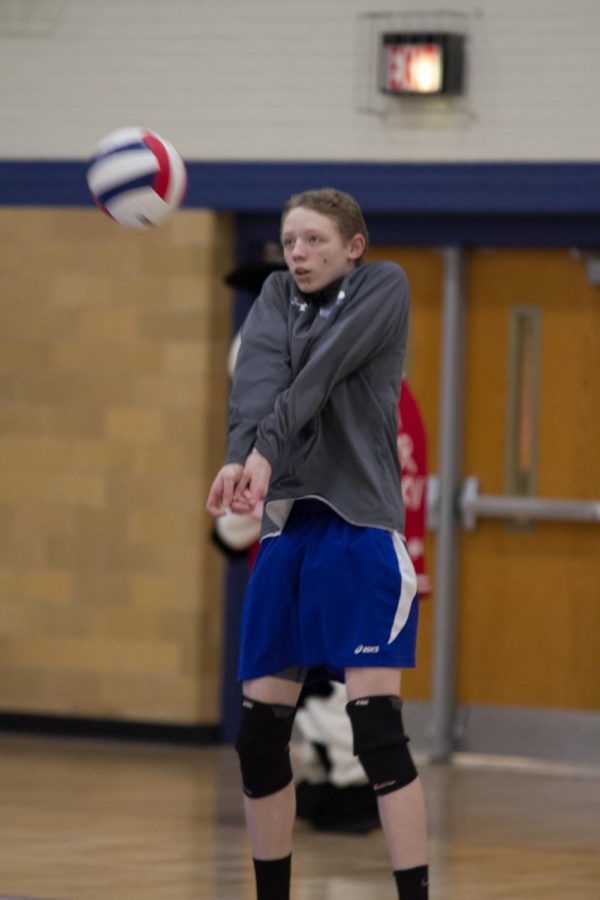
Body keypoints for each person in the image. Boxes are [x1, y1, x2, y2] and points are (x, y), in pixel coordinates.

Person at [206, 188, 429, 899]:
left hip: (359, 531)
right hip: (291, 533)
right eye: (290, 240)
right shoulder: (274, 295)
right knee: (260, 738)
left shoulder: (382, 285)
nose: (298, 253)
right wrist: (239, 460)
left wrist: (267, 453)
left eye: (314, 240)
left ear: (353, 245)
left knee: (376, 731)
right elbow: (258, 384)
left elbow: (319, 376)